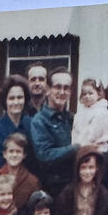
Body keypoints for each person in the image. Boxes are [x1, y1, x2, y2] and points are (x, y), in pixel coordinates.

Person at [31, 67, 80, 197]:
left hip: (74, 187)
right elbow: (44, 155)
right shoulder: (39, 121)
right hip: (52, 190)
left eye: (66, 88)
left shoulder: (73, 119)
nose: (62, 92)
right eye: (58, 87)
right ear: (48, 90)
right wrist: (75, 148)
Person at [0, 75, 34, 172]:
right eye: (11, 98)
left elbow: (35, 161)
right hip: (4, 182)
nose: (16, 102)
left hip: (31, 183)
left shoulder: (32, 124)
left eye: (20, 97)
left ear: (25, 99)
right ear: (5, 100)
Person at [0, 133, 41, 211]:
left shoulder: (32, 181)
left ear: (24, 155)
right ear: (4, 154)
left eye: (18, 151)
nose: (14, 155)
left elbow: (36, 210)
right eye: (11, 151)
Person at [71, 78, 108, 151]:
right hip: (81, 146)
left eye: (90, 93)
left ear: (98, 95)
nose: (87, 96)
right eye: (84, 94)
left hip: (98, 147)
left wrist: (82, 145)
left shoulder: (101, 111)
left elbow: (94, 133)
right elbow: (75, 130)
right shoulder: (81, 112)